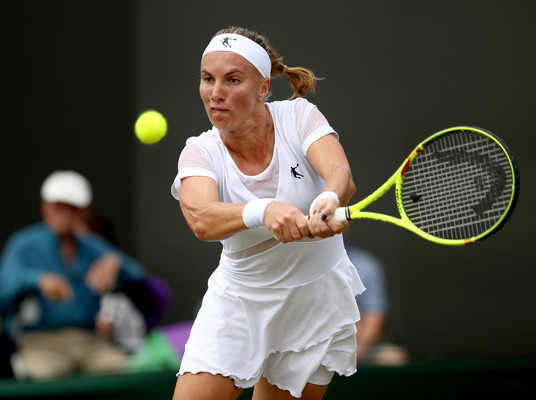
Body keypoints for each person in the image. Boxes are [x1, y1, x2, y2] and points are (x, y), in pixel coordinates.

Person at [170, 27, 364, 400]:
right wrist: (264, 211)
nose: (216, 93)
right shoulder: (199, 151)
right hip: (239, 304)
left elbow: (340, 175)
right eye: (208, 79)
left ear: (262, 88)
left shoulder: (298, 116)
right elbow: (201, 218)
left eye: (233, 80)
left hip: (314, 299)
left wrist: (327, 198)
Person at [0, 170, 145, 380]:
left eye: (73, 208)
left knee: (130, 374)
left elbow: (141, 278)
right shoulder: (23, 245)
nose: (65, 214)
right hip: (40, 342)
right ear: (45, 207)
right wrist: (36, 279)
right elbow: (3, 288)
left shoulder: (92, 245)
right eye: (58, 207)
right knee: (45, 376)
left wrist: (115, 261)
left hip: (91, 342)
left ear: (84, 211)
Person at [345, 244, 409, 366]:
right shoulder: (300, 261)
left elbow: (375, 316)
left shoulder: (366, 264)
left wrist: (360, 347)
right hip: (307, 344)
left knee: (393, 357)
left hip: (356, 347)